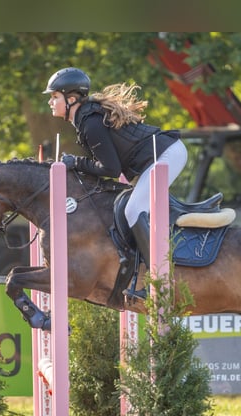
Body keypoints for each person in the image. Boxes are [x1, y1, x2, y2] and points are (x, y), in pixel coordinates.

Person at [43, 67, 187, 298]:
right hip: (156, 157)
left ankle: (160, 281)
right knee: (125, 207)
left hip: (166, 155)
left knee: (133, 210)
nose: (50, 102)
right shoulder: (85, 119)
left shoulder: (90, 123)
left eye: (54, 97)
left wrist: (75, 163)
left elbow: (110, 169)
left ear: (71, 99)